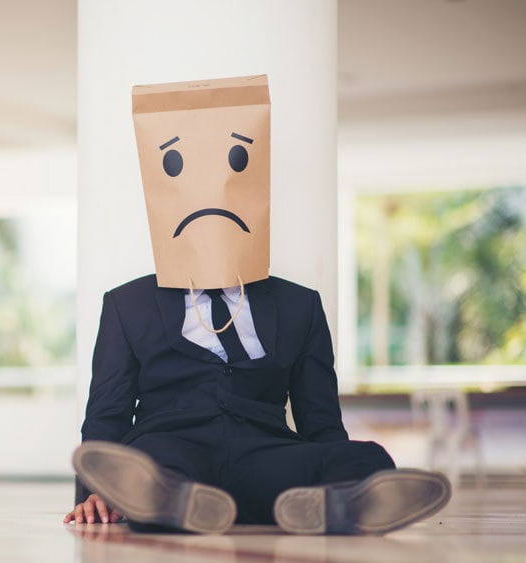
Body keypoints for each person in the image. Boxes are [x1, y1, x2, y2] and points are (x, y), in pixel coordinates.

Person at [64, 76, 451, 535]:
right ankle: (169, 500)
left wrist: (339, 463)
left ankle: (329, 499)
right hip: (169, 447)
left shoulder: (299, 306)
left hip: (263, 453)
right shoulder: (128, 305)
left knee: (366, 457)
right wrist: (92, 493)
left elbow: (320, 421)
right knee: (149, 467)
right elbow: (105, 415)